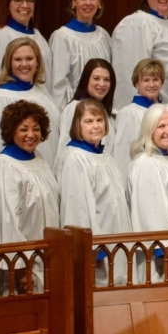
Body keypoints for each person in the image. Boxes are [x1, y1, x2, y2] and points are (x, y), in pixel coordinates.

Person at [57, 98, 131, 273]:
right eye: (88, 121)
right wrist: (92, 251)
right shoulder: (75, 158)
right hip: (97, 254)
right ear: (77, 125)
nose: (96, 126)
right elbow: (78, 208)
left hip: (114, 243)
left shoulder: (104, 156)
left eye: (99, 120)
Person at [128, 104, 168, 282]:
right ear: (149, 130)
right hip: (161, 258)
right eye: (161, 126)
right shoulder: (147, 164)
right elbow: (152, 214)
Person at [0, 99, 60, 247]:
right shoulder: (4, 168)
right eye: (24, 129)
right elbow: (8, 225)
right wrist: (20, 264)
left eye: (36, 129)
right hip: (24, 260)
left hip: (49, 254)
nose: (31, 135)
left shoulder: (39, 160)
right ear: (11, 131)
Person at [0, 37, 60, 163]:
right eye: (18, 59)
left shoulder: (41, 92)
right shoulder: (1, 99)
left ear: (37, 63)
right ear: (9, 64)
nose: (24, 64)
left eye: (29, 59)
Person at [48, 0, 113, 108]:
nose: (88, 3)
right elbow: (58, 85)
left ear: (99, 2)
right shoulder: (62, 37)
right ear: (73, 2)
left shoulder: (103, 36)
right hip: (75, 111)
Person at [112, 59, 168, 184]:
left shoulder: (167, 112)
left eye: (155, 79)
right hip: (141, 177)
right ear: (136, 84)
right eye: (146, 80)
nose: (151, 84)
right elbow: (122, 154)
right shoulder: (129, 113)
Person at [0, 0, 50, 79]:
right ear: (8, 6)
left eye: (29, 1)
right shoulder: (0, 37)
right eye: (18, 0)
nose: (24, 5)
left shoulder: (39, 36)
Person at [57, 58, 116, 151]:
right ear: (86, 80)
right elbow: (64, 147)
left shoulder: (107, 115)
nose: (102, 84)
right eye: (96, 78)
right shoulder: (74, 108)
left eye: (106, 79)